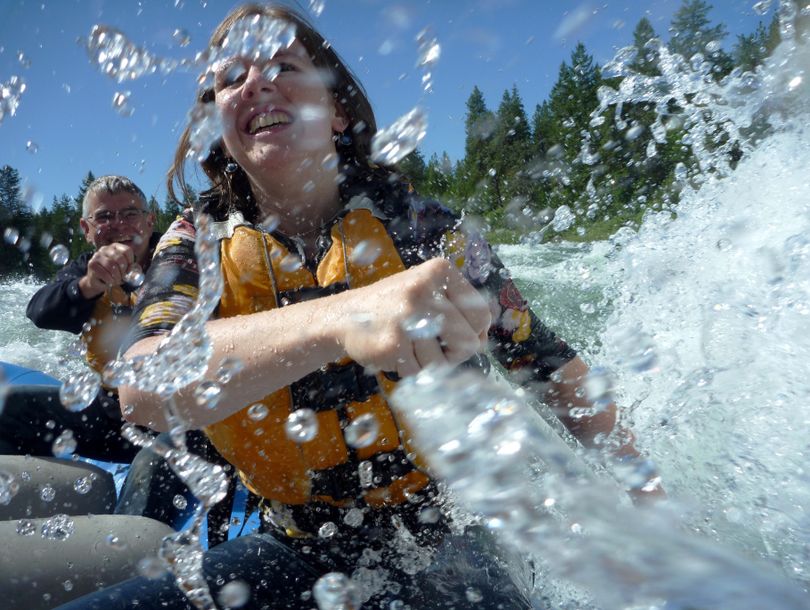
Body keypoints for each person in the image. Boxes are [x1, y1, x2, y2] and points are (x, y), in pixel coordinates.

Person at [58, 5, 662, 609]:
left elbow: (551, 368)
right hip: (294, 544)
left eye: (285, 65)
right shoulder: (194, 241)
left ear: (338, 110)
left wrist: (648, 501)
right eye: (231, 77)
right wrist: (344, 317)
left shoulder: (428, 230)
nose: (257, 84)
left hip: (448, 536)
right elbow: (142, 388)